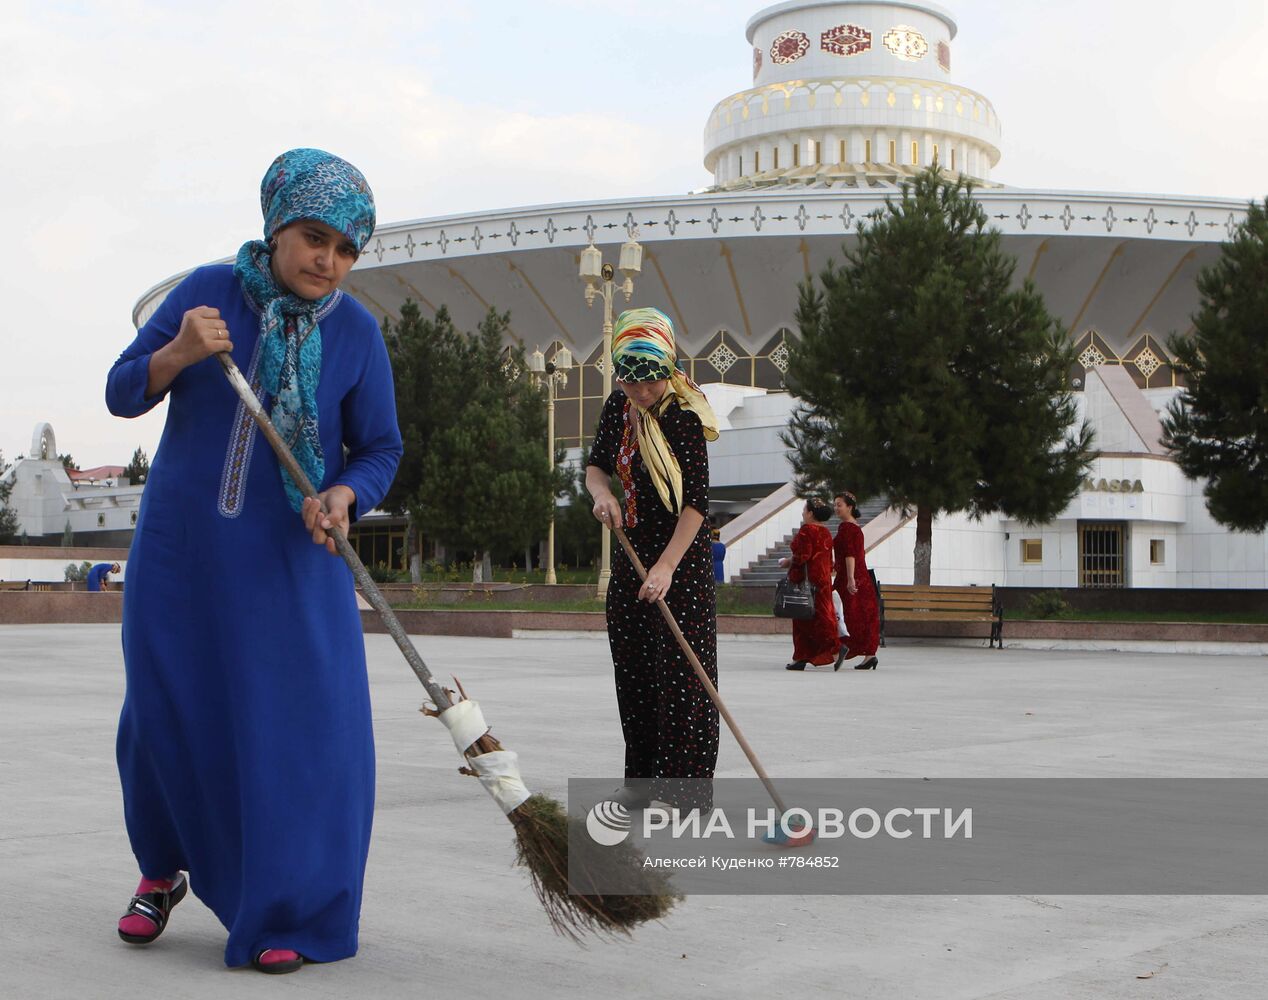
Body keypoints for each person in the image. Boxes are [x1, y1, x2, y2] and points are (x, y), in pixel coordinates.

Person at [105, 149, 403, 975]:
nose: (328, 262)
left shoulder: (355, 330)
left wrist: (345, 496)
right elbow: (123, 391)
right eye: (315, 238)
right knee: (164, 716)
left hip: (292, 562)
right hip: (182, 558)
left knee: (297, 735)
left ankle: (288, 909)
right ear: (276, 226)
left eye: (347, 250)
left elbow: (379, 447)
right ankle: (160, 872)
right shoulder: (206, 290)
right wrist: (175, 354)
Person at [585, 307, 720, 813]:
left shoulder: (685, 415)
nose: (641, 393)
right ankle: (641, 784)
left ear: (668, 369)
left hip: (679, 562)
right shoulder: (617, 409)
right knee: (636, 672)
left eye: (650, 382)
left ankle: (686, 791)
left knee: (684, 677)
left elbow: (696, 506)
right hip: (630, 554)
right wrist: (603, 496)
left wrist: (665, 567)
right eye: (630, 382)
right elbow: (596, 468)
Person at [779, 498, 839, 671]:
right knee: (823, 615)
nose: (803, 513)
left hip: (807, 582)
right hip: (823, 580)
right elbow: (830, 561)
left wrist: (788, 561)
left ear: (811, 513)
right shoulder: (826, 532)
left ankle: (809, 654)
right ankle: (810, 655)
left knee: (801, 619)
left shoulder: (807, 531)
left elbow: (802, 556)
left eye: (805, 510)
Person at [833, 491, 880, 670]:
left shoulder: (846, 527)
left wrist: (850, 578)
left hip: (850, 576)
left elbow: (850, 554)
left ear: (849, 507)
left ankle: (838, 648)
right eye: (835, 504)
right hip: (862, 577)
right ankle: (870, 655)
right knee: (863, 615)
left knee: (839, 613)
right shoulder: (855, 527)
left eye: (839, 504)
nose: (836, 508)